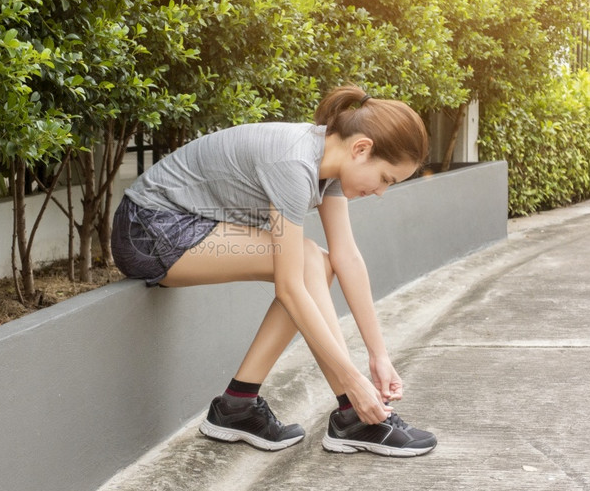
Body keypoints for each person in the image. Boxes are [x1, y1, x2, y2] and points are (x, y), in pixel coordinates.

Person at [111, 85, 437, 457]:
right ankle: (352, 414)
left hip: (184, 224)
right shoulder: (293, 164)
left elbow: (347, 257)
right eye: (385, 179)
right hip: (149, 229)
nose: (380, 192)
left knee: (316, 259)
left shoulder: (326, 164)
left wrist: (379, 357)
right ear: (361, 149)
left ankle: (238, 406)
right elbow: (289, 287)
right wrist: (353, 381)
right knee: (307, 261)